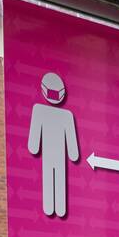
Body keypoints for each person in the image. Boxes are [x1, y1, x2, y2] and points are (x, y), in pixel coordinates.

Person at [27, 71, 79, 218]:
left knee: (57, 179)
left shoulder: (63, 115)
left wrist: (73, 154)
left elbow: (33, 145)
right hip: (52, 156)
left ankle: (56, 208)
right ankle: (52, 208)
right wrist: (73, 154)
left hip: (57, 157)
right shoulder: (43, 111)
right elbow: (33, 143)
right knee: (51, 179)